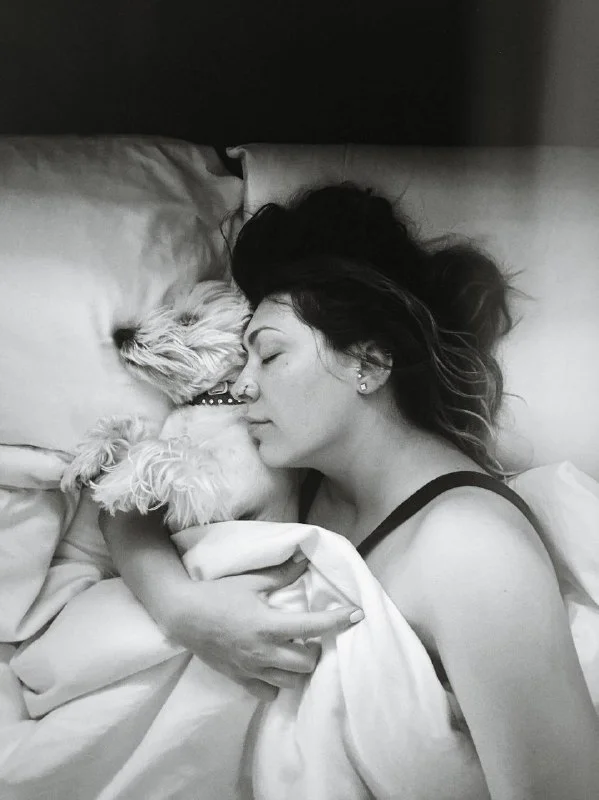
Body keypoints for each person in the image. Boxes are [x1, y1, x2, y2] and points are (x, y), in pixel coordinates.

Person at [103, 184, 599, 798]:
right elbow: (122, 505)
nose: (242, 387)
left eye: (269, 356)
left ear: (368, 363)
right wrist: (183, 609)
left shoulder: (471, 550)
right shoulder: (307, 476)